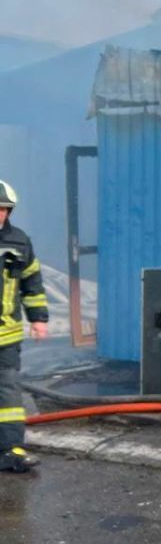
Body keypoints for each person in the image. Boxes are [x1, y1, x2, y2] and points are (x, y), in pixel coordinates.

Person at [0, 180, 48, 473]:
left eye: (4, 210)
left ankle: (11, 449)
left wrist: (39, 319)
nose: (0, 215)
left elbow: (32, 281)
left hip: (6, 336)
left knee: (8, 395)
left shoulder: (19, 241)